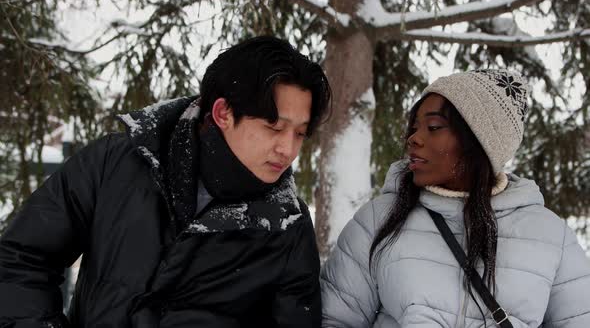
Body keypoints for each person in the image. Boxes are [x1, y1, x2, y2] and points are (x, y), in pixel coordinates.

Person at [0, 36, 331, 328]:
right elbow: (21, 259)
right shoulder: (115, 164)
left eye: (300, 133)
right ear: (223, 113)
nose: (288, 148)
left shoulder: (288, 228)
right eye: (274, 127)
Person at [321, 69, 590, 327]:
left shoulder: (551, 236)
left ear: (480, 141)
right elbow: (335, 320)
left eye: (434, 127)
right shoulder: (377, 221)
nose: (414, 139)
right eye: (414, 127)